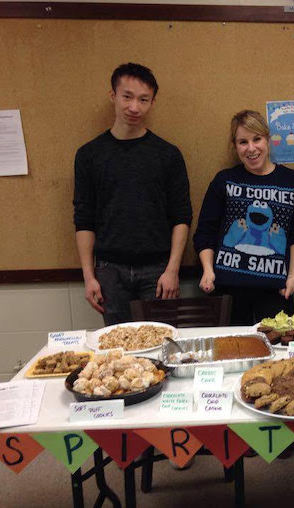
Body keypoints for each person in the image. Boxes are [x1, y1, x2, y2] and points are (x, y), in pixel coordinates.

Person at [73, 63, 193, 325]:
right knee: (117, 351)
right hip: (109, 270)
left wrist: (173, 270)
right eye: (127, 97)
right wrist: (88, 276)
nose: (134, 107)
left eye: (143, 99)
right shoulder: (89, 155)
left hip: (158, 270)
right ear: (113, 96)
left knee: (161, 345)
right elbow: (84, 219)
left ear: (152, 102)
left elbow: (181, 216)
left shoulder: (168, 155)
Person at [194, 110, 294, 325]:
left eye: (257, 139)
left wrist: (293, 277)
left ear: (267, 139)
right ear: (235, 146)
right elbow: (205, 232)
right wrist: (208, 271)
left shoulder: (292, 181)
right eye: (243, 142)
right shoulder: (224, 180)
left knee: (277, 355)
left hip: (276, 291)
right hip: (228, 290)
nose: (251, 148)